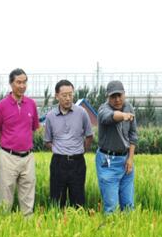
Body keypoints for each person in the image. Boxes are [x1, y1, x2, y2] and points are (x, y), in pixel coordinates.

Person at [0, 68, 39, 216]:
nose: (22, 86)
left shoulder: (31, 104)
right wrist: (10, 142)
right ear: (11, 84)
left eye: (24, 82)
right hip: (8, 156)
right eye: (18, 82)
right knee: (6, 196)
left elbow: (33, 128)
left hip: (28, 157)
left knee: (28, 197)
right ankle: (4, 225)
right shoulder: (1, 105)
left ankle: (28, 224)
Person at [44, 80, 94, 208]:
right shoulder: (50, 116)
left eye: (70, 95)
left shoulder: (82, 113)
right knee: (57, 201)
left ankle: (77, 220)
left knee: (78, 201)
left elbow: (89, 136)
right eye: (64, 95)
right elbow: (47, 141)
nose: (68, 98)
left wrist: (81, 150)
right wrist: (59, 150)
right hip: (58, 162)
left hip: (77, 162)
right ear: (57, 96)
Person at [96, 80, 138, 214]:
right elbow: (110, 117)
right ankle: (110, 227)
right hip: (108, 162)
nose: (117, 99)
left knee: (128, 206)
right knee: (111, 208)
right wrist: (123, 116)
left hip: (125, 161)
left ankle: (128, 228)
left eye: (119, 95)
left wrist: (130, 159)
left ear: (124, 94)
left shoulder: (129, 107)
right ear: (108, 97)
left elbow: (133, 135)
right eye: (113, 96)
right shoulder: (103, 109)